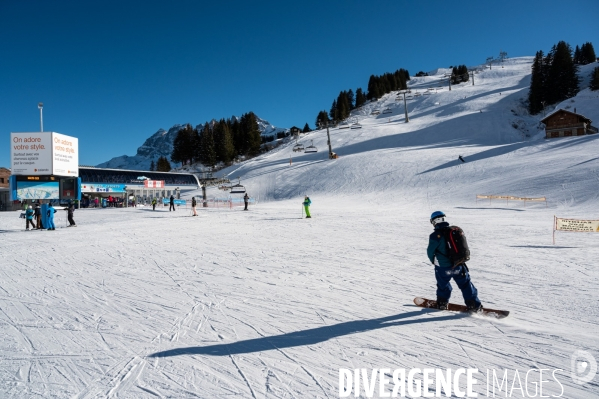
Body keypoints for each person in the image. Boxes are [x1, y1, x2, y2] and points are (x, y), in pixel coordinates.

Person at [427, 211, 482, 312]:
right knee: (465, 284)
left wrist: (433, 261)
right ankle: (473, 305)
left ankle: (442, 303)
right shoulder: (453, 231)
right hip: (458, 265)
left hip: (443, 268)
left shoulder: (435, 236)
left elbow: (430, 252)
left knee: (443, 285)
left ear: (434, 221)